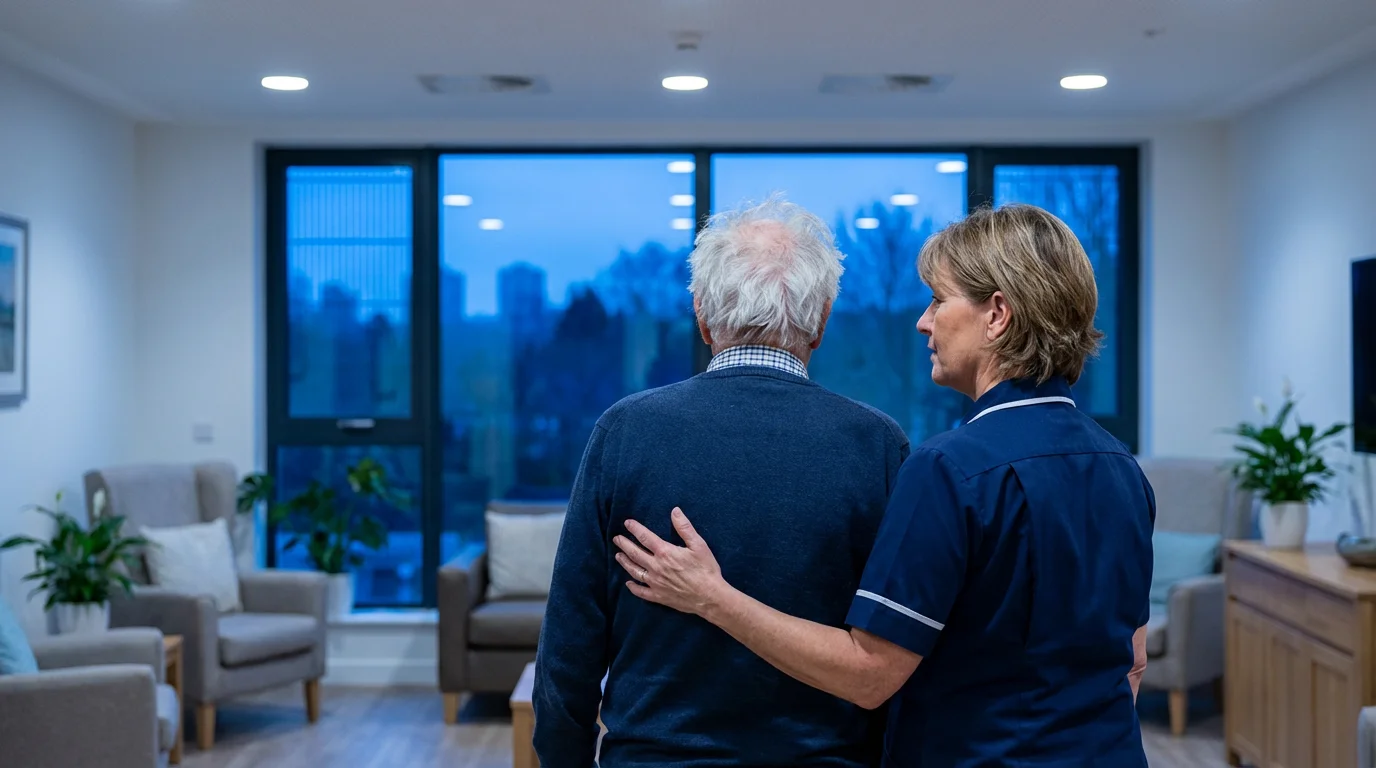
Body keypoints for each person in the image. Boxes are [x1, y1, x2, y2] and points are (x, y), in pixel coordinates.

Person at [615, 203, 1155, 767]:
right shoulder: (1123, 468)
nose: (923, 321)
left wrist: (714, 598)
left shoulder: (952, 470)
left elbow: (869, 674)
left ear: (996, 315)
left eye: (938, 300)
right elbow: (1132, 659)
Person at [532, 197, 911, 768]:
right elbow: (894, 655)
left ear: (702, 314)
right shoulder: (878, 445)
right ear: (823, 320)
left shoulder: (625, 431)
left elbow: (570, 641)